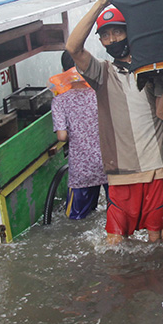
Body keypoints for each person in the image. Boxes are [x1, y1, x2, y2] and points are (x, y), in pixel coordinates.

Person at [65, 0, 163, 243]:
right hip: (121, 172)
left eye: (117, 32)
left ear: (129, 33)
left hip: (159, 166)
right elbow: (73, 48)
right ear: (100, 42)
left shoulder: (154, 70)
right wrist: (100, 3)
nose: (112, 40)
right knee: (115, 241)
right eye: (106, 36)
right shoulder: (102, 73)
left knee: (157, 240)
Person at [50, 51, 107, 219]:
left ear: (63, 70)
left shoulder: (60, 101)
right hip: (108, 163)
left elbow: (62, 136)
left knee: (77, 218)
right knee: (115, 213)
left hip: (82, 168)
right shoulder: (101, 94)